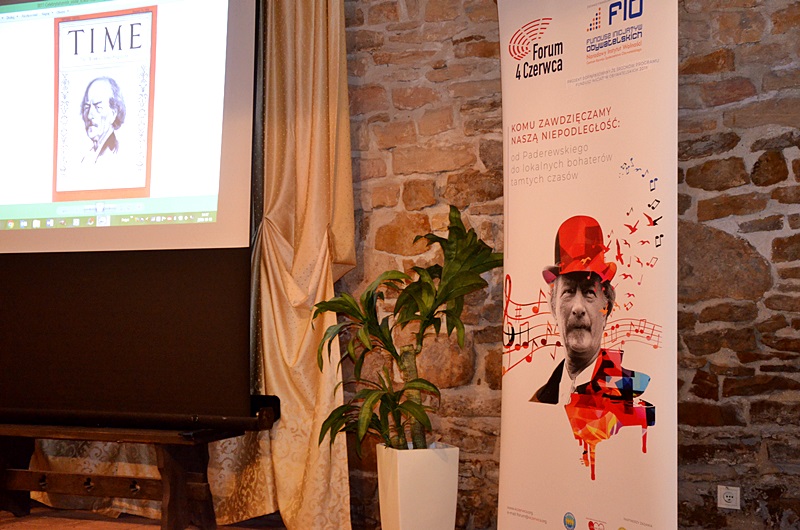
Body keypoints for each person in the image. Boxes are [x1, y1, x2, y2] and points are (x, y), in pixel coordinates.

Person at [530, 215, 621, 405]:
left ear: (607, 308)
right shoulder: (539, 399)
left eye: (589, 292)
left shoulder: (626, 397)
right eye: (569, 291)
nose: (578, 308)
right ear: (553, 308)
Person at [80, 76, 126, 166]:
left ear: (113, 114)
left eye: (98, 107)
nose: (89, 116)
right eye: (86, 107)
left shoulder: (114, 156)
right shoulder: (88, 156)